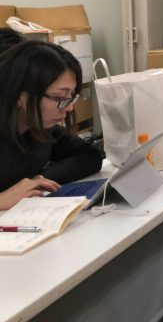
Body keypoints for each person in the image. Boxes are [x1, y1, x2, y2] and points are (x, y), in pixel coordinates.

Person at [0, 40, 103, 210]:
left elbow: (90, 156)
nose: (69, 108)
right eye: (58, 98)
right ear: (18, 95)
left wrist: (38, 181)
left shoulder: (39, 129)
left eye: (71, 96)